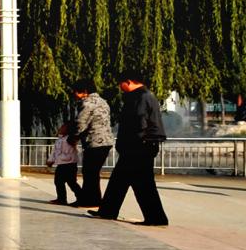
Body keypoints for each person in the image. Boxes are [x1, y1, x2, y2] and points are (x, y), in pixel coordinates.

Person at [92, 70, 169, 227]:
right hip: (141, 145)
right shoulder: (146, 95)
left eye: (121, 83)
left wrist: (131, 142)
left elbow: (139, 122)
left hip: (139, 145)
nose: (120, 87)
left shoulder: (140, 97)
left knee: (143, 183)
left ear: (128, 81)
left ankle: (156, 218)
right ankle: (107, 211)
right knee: (119, 180)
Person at [71, 78, 114, 207]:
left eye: (76, 92)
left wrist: (73, 137)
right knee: (93, 172)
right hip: (106, 141)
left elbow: (81, 124)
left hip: (94, 141)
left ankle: (89, 200)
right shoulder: (103, 102)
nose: (74, 94)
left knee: (89, 172)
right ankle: (93, 198)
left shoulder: (87, 103)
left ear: (84, 91)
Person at [48, 122, 81, 205]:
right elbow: (54, 152)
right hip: (61, 164)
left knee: (72, 182)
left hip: (70, 164)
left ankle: (81, 197)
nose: (60, 128)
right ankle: (61, 199)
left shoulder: (70, 139)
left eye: (63, 127)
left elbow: (76, 148)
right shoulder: (59, 140)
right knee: (58, 181)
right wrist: (51, 160)